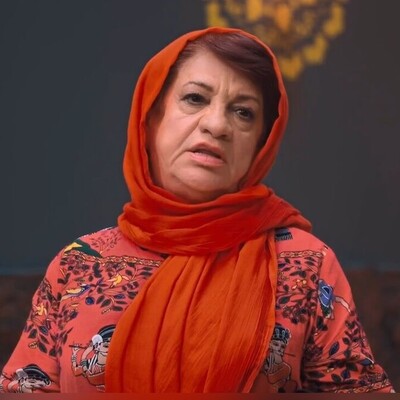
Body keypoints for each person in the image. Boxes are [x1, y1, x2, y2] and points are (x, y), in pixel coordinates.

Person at [0, 27, 394, 393]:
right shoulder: (79, 264)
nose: (217, 125)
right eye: (195, 98)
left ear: (261, 144)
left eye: (243, 112)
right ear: (151, 116)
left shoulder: (306, 265)